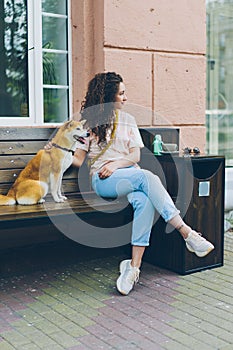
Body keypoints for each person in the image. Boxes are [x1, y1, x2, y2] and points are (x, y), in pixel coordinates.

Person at [65, 72, 215, 296]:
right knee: (148, 178)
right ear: (109, 96)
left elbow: (134, 156)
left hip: (128, 175)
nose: (125, 98)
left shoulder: (128, 121)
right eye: (121, 94)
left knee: (145, 200)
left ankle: (133, 267)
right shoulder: (89, 124)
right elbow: (78, 159)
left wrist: (116, 164)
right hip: (103, 181)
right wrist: (56, 151)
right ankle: (187, 234)